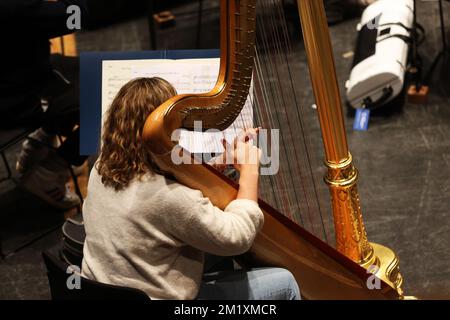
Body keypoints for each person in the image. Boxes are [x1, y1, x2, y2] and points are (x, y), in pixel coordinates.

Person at [81, 77, 300, 300]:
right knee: (285, 282)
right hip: (159, 297)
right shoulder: (168, 198)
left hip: (105, 289)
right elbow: (238, 237)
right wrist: (250, 169)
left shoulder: (102, 168)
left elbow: (173, 179)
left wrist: (221, 162)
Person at [0, 0, 88, 210]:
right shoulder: (17, 7)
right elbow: (78, 15)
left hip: (14, 74)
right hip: (17, 102)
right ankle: (49, 171)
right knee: (115, 91)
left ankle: (37, 145)